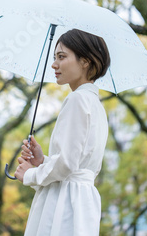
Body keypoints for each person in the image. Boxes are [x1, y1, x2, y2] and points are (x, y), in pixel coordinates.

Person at [14, 29, 111, 236]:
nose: (54, 64)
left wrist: (30, 174)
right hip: (83, 202)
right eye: (54, 57)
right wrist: (43, 161)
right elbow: (77, 164)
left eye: (62, 57)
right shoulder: (96, 105)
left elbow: (67, 165)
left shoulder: (77, 99)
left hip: (64, 203)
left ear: (85, 61)